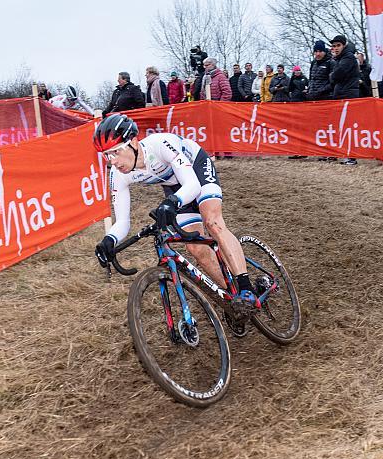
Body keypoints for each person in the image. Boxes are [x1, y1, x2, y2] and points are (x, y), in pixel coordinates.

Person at [92, 114, 260, 312]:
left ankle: (247, 287)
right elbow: (122, 221)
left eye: (116, 152)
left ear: (134, 142)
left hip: (195, 170)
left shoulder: (160, 144)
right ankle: (233, 297)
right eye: (107, 155)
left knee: (212, 222)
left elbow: (192, 185)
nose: (113, 161)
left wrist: (173, 202)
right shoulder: (118, 174)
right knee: (196, 249)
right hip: (175, 186)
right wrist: (109, 240)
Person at [329, 35, 360, 165]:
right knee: (342, 126)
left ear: (344, 46)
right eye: (334, 46)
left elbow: (336, 74)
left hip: (348, 95)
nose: (335, 48)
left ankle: (351, 156)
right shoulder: (340, 58)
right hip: (341, 94)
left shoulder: (348, 58)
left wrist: (332, 75)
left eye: (338, 46)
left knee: (348, 127)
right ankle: (346, 154)